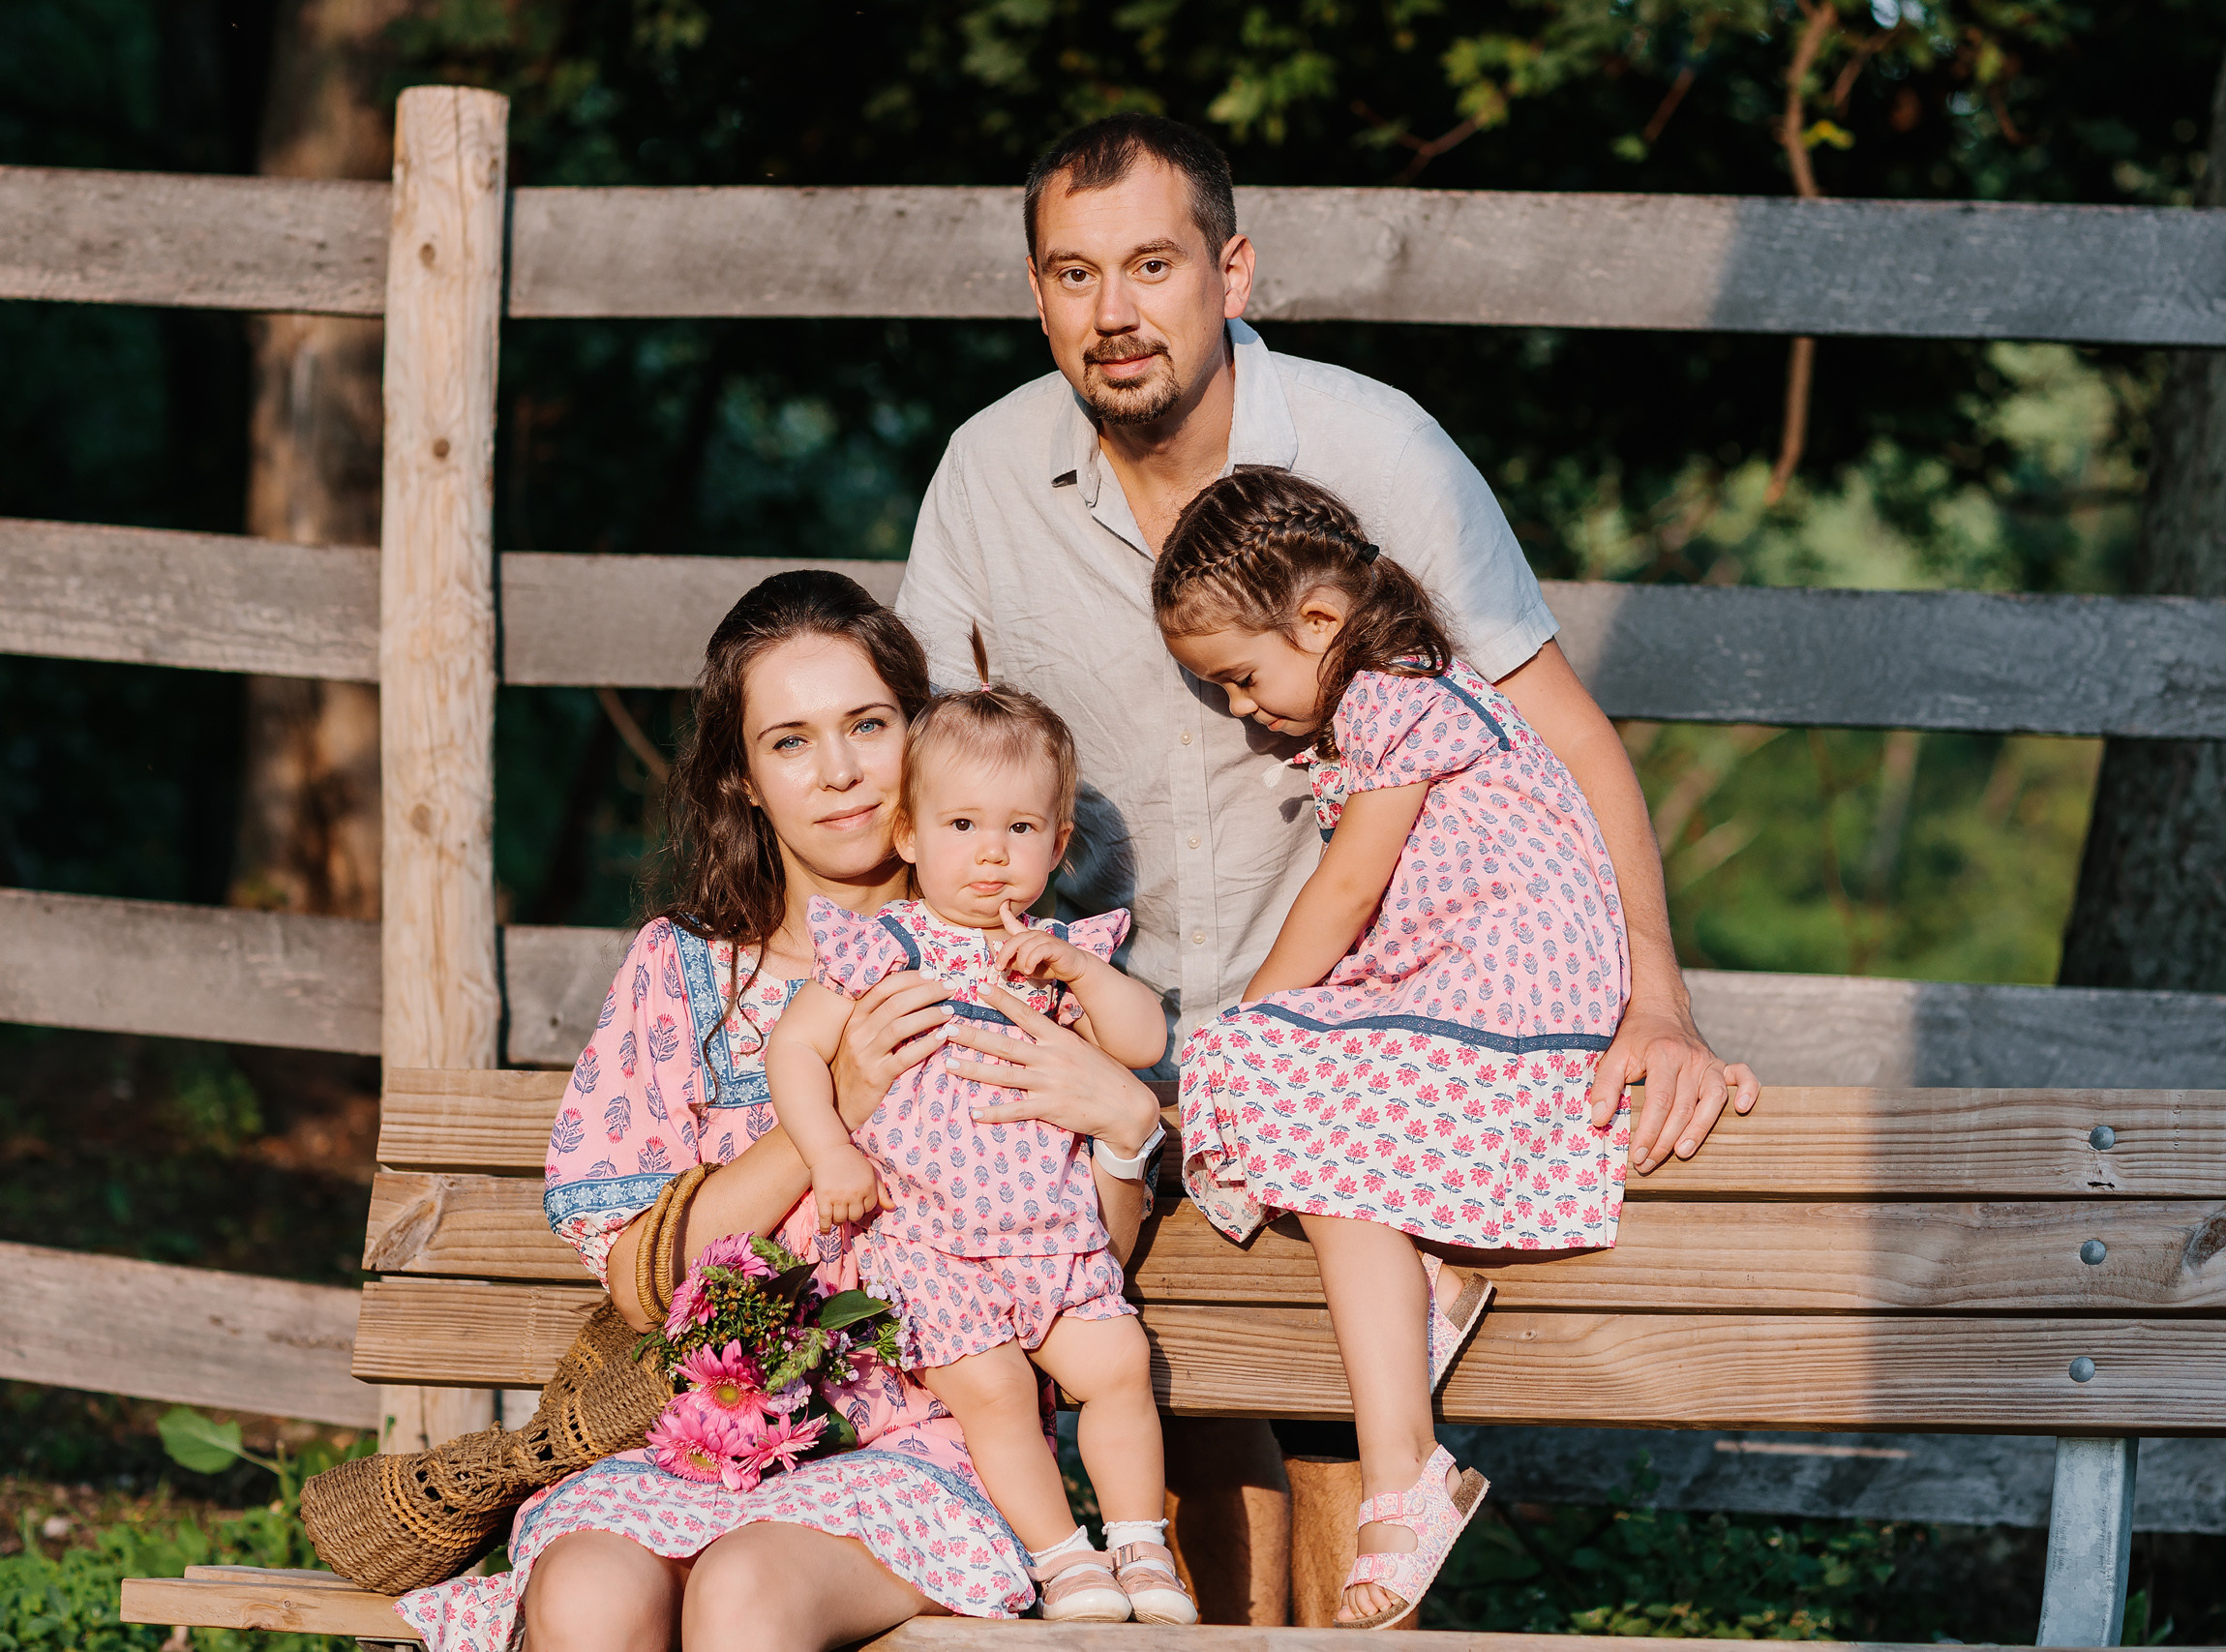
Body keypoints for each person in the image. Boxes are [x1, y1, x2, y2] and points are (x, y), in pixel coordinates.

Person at [893, 112, 1760, 1615]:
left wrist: (1660, 998)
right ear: (1037, 294)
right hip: (1110, 1051)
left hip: (1332, 1039)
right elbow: (924, 769)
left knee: (1344, 1505)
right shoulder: (985, 473)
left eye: (1152, 265)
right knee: (1169, 1477)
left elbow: (1567, 736)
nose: (1115, 313)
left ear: (1230, 270)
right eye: (1074, 274)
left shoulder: (1374, 450)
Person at [394, 571, 1165, 1652]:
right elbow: (641, 1280)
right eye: (790, 741)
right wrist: (835, 1101)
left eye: (867, 724)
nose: (841, 771)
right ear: (744, 781)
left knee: (745, 1597)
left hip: (923, 1437)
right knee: (585, 1598)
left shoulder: (1012, 967)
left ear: (919, 734)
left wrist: (1125, 1128)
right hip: (697, 1434)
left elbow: (1091, 1264)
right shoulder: (686, 973)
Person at [1158, 468, 1630, 1626]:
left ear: (1316, 623)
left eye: (1242, 676)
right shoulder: (1403, 688)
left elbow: (1347, 888)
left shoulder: (1388, 696)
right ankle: (1419, 1307)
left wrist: (1251, 1020)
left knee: (1276, 1070)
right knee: (1318, 1114)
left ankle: (1402, 1475)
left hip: (1509, 994)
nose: (1239, 708)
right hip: (1493, 989)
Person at [765, 646, 1193, 1624]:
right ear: (909, 834)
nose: (990, 852)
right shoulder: (884, 946)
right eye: (962, 825)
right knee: (994, 1387)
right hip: (929, 1241)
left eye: (1018, 828)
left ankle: (1139, 1550)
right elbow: (795, 1052)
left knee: (1118, 1367)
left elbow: (1143, 1039)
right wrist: (831, 1151)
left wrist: (1081, 978)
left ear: (1057, 843)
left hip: (1051, 1235)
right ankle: (1062, 1560)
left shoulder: (1058, 953)